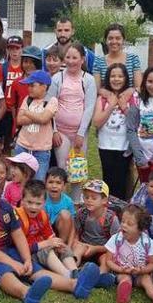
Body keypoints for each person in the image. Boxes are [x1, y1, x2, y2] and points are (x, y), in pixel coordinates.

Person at [0, 173, 101, 303]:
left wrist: (27, 260)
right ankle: (26, 293)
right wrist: (13, 263)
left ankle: (74, 285)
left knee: (34, 269)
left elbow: (17, 234)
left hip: (9, 249)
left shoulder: (5, 207)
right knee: (5, 272)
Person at [48, 43, 98, 202]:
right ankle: (60, 201)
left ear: (82, 59)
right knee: (62, 168)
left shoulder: (88, 80)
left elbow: (89, 107)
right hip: (61, 132)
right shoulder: (58, 78)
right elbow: (50, 104)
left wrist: (81, 133)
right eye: (68, 57)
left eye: (75, 58)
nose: (71, 61)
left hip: (79, 134)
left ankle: (76, 202)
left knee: (78, 170)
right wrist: (54, 131)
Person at [103, 204, 153, 303]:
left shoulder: (147, 242)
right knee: (125, 279)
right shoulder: (116, 239)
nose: (124, 225)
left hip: (141, 273)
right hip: (122, 271)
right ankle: (124, 294)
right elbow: (108, 261)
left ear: (140, 228)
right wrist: (120, 269)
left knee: (146, 280)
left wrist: (141, 270)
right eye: (122, 221)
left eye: (129, 224)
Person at [16, 180, 79, 279]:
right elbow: (19, 247)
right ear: (22, 200)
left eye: (38, 204)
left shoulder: (43, 215)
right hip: (29, 254)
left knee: (63, 247)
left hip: (44, 248)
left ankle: (75, 271)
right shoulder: (18, 217)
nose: (33, 207)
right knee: (46, 250)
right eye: (29, 202)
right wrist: (47, 243)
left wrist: (57, 244)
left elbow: (49, 234)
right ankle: (67, 275)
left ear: (44, 203)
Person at [92, 63, 133, 200]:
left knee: (122, 181)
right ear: (108, 78)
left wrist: (123, 106)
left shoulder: (132, 97)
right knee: (108, 180)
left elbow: (136, 123)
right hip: (105, 146)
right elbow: (97, 123)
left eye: (120, 76)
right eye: (113, 76)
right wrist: (111, 106)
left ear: (126, 78)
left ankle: (122, 210)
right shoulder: (102, 98)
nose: (116, 79)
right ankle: (108, 209)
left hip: (124, 147)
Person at [125, 64, 153, 184]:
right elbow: (131, 129)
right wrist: (139, 157)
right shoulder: (137, 100)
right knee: (145, 186)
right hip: (142, 155)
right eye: (150, 81)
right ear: (144, 81)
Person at [71, 180, 120, 266]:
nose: (89, 200)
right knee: (77, 251)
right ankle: (73, 271)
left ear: (104, 200)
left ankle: (101, 276)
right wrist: (76, 241)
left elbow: (115, 244)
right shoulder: (82, 213)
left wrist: (96, 249)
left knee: (106, 260)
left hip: (102, 249)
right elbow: (76, 231)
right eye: (86, 197)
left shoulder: (111, 219)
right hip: (84, 245)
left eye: (94, 198)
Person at [93, 23, 142, 92]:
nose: (114, 41)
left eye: (118, 38)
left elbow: (139, 87)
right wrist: (108, 95)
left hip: (130, 100)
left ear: (123, 40)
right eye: (110, 38)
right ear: (106, 40)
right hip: (106, 101)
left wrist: (128, 93)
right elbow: (96, 89)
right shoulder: (98, 61)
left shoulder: (133, 59)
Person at [44, 168, 75, 241]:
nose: (54, 186)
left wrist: (69, 246)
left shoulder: (68, 201)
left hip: (62, 232)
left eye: (58, 183)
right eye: (50, 182)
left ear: (64, 186)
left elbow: (73, 226)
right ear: (45, 183)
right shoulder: (41, 198)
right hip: (44, 232)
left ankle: (61, 245)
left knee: (65, 214)